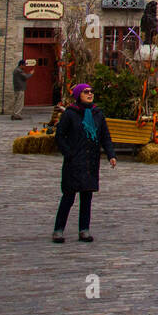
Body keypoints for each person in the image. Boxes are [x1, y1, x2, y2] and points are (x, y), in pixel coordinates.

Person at [52, 84, 116, 243]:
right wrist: (69, 153)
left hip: (90, 161)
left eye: (91, 91)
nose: (90, 94)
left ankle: (84, 229)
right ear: (78, 94)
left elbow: (105, 136)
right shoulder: (70, 113)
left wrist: (111, 155)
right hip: (74, 161)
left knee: (87, 197)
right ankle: (58, 230)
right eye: (86, 92)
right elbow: (59, 136)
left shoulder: (97, 113)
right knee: (68, 197)